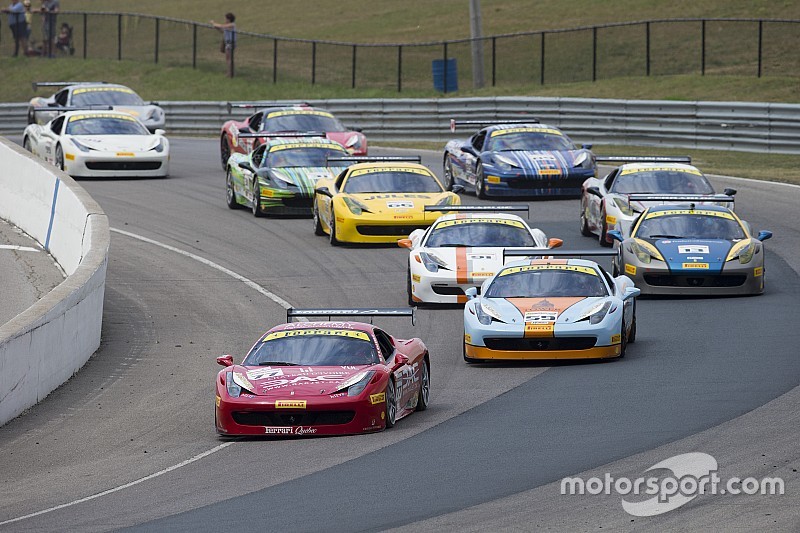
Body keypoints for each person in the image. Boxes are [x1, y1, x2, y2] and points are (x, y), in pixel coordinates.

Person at [210, 12, 236, 78]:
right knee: (228, 58)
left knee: (229, 58)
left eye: (226, 18)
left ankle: (230, 74)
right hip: (227, 42)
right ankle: (229, 72)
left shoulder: (232, 25)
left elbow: (222, 26)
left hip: (230, 43)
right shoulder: (227, 25)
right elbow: (223, 31)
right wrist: (216, 27)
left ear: (229, 19)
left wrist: (213, 23)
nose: (225, 20)